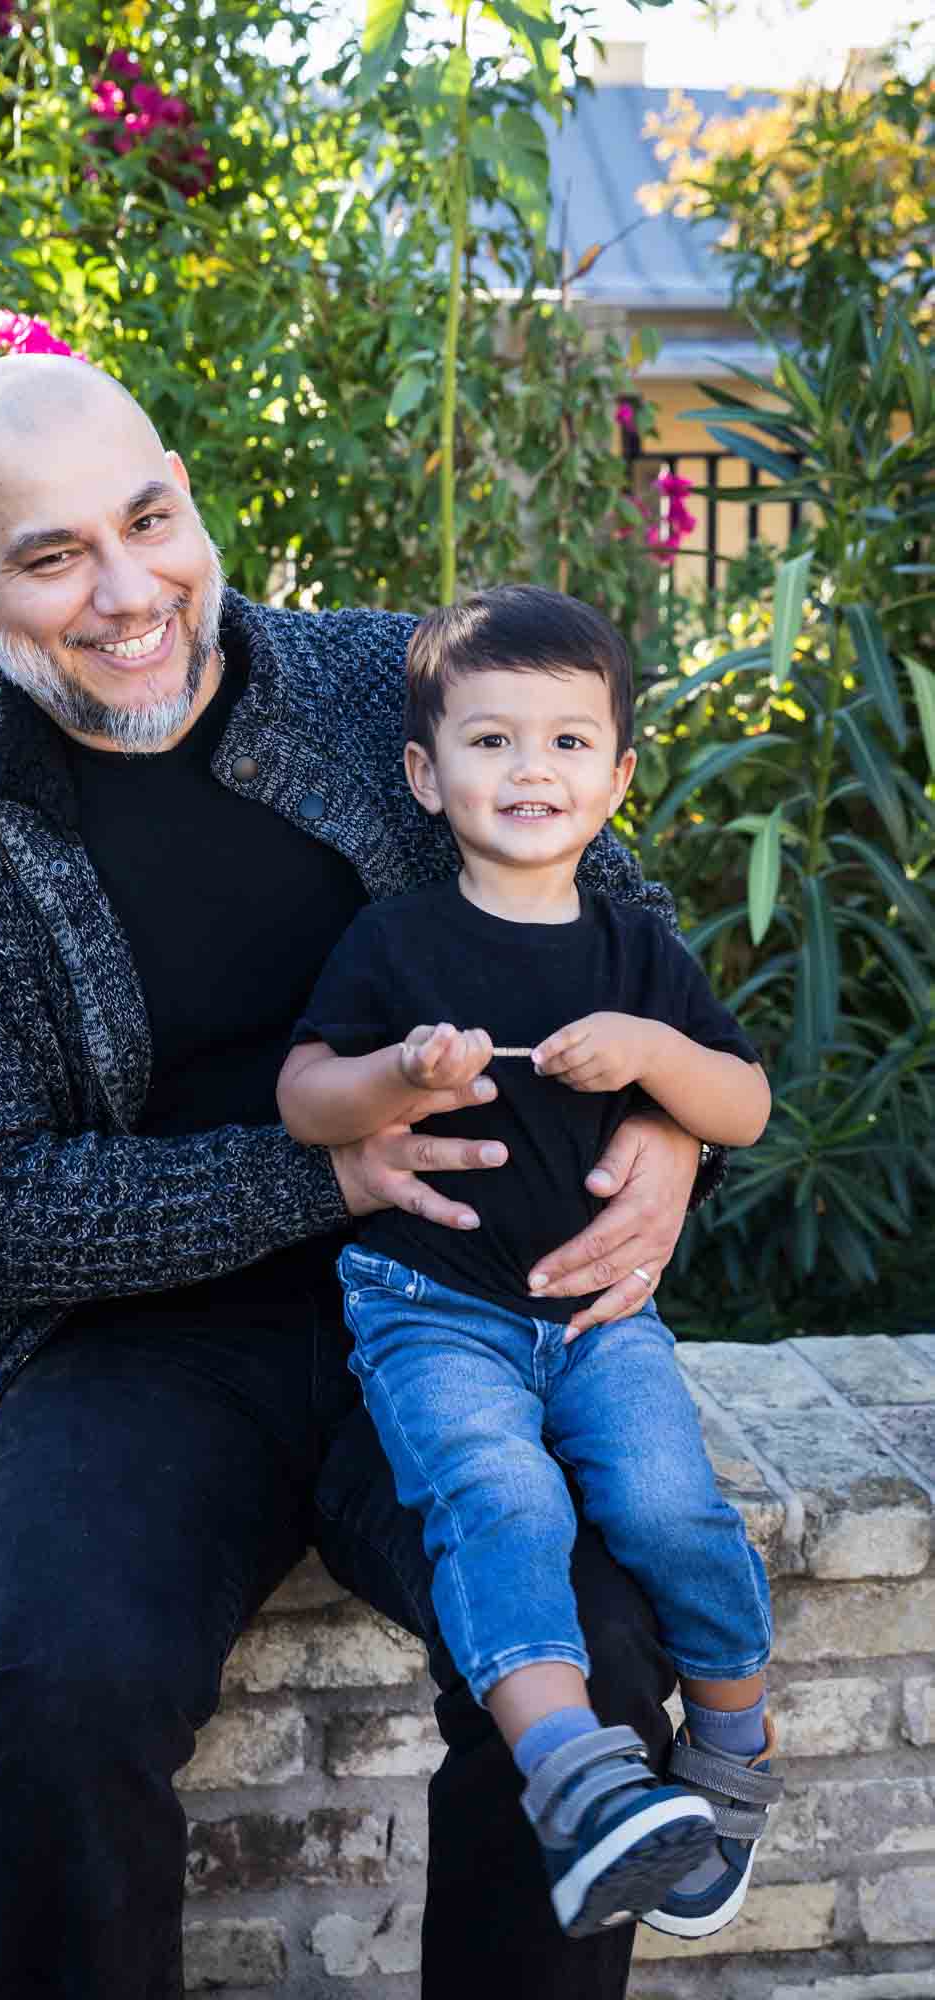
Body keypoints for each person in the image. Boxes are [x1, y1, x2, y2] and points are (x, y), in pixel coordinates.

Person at [0, 351, 726, 1999]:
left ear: (186, 491)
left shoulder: (377, 680)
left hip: (461, 1313)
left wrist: (667, 1128)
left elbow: (631, 939)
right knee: (68, 1697)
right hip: (126, 1354)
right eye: (50, 557)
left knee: (601, 1655)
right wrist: (322, 1177)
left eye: (148, 519)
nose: (127, 593)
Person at [277, 586, 781, 1942]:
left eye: (566, 743)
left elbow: (741, 1103)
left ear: (615, 776)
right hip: (431, 1312)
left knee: (670, 1510)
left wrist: (656, 1062)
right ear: (422, 774)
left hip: (597, 1319)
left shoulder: (632, 950)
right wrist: (396, 1073)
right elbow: (305, 1096)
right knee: (502, 1504)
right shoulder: (396, 941)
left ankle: (731, 1746)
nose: (529, 770)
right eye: (490, 741)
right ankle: (575, 1778)